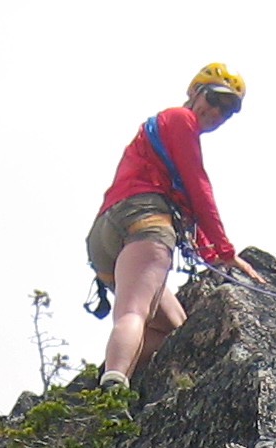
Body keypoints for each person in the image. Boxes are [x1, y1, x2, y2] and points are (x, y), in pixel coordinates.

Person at [86, 64, 254, 387]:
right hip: (143, 223)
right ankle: (113, 388)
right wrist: (225, 250)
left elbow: (187, 203)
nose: (217, 111)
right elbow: (197, 185)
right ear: (194, 92)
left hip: (107, 235)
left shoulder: (158, 132)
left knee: (177, 330)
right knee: (133, 313)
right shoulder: (180, 120)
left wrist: (212, 253)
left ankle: (115, 370)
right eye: (214, 99)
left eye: (228, 109)